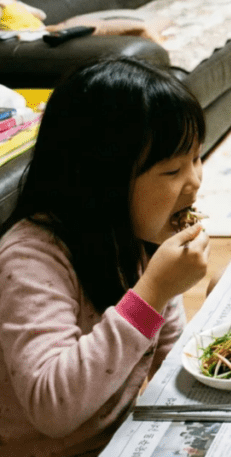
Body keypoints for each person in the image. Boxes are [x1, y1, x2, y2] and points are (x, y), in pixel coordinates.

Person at [0, 57, 210, 455]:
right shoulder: (29, 259)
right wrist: (153, 291)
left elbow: (170, 359)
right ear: (104, 179)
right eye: (172, 171)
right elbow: (52, 408)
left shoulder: (140, 237)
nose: (195, 182)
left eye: (197, 158)